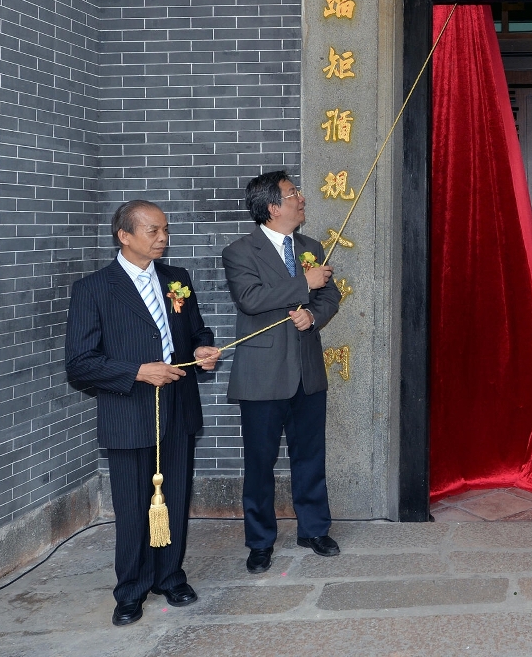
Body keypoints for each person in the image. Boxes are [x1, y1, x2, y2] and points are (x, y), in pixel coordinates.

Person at [65, 201, 220, 626]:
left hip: (178, 407)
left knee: (174, 498)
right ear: (124, 235)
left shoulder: (177, 279)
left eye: (164, 230)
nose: (162, 238)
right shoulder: (94, 288)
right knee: (135, 507)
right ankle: (130, 590)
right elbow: (79, 363)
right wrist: (136, 371)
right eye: (152, 231)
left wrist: (203, 350)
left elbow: (196, 331)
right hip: (129, 412)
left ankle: (170, 577)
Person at [222, 171, 343, 573]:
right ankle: (260, 541)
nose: (301, 198)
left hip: (307, 372)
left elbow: (330, 294)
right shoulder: (240, 251)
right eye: (293, 194)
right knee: (260, 463)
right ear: (273, 207)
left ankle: (314, 528)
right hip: (262, 374)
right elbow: (251, 299)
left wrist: (313, 313)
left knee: (310, 456)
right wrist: (302, 282)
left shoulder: (310, 245)